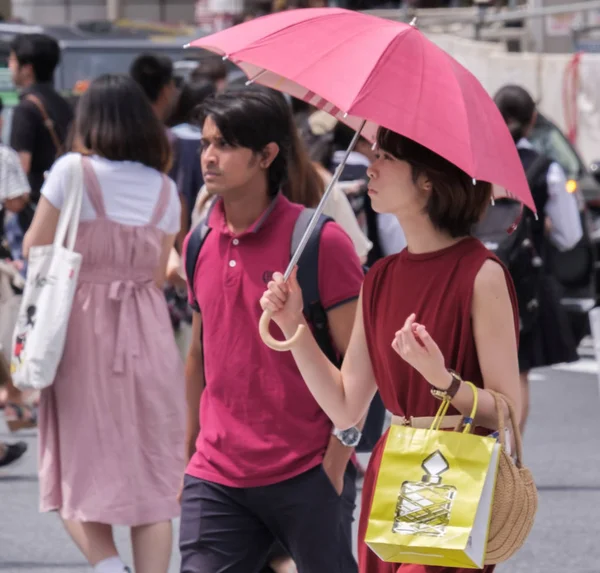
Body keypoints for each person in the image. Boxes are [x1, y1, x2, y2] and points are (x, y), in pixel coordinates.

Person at [261, 127, 522, 573]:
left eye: (385, 158)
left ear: (427, 179)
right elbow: (346, 407)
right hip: (393, 466)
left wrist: (443, 381)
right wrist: (295, 326)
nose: (371, 168)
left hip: (453, 470)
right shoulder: (379, 277)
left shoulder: (482, 274)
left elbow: (506, 411)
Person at [180, 88, 364, 573]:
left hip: (307, 472)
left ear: (266, 155)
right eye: (205, 143)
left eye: (224, 144)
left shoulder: (321, 241)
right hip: (216, 474)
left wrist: (334, 465)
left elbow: (361, 368)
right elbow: (199, 355)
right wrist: (190, 458)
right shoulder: (198, 239)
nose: (209, 157)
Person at [22, 74, 185, 573]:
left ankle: (110, 568)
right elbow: (158, 274)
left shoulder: (73, 170)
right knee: (151, 475)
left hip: (81, 329)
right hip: (148, 332)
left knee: (78, 462)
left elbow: (34, 247)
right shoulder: (164, 189)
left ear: (90, 121)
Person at [494, 84, 583, 432]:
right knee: (518, 372)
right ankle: (510, 460)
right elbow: (570, 235)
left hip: (471, 275)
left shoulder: (475, 165)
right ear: (532, 120)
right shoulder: (546, 168)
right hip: (521, 283)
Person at [9, 33, 73, 207]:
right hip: (65, 199)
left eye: (13, 61)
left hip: (37, 204)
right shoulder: (66, 103)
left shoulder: (26, 109)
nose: (9, 65)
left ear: (27, 69)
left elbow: (20, 169)